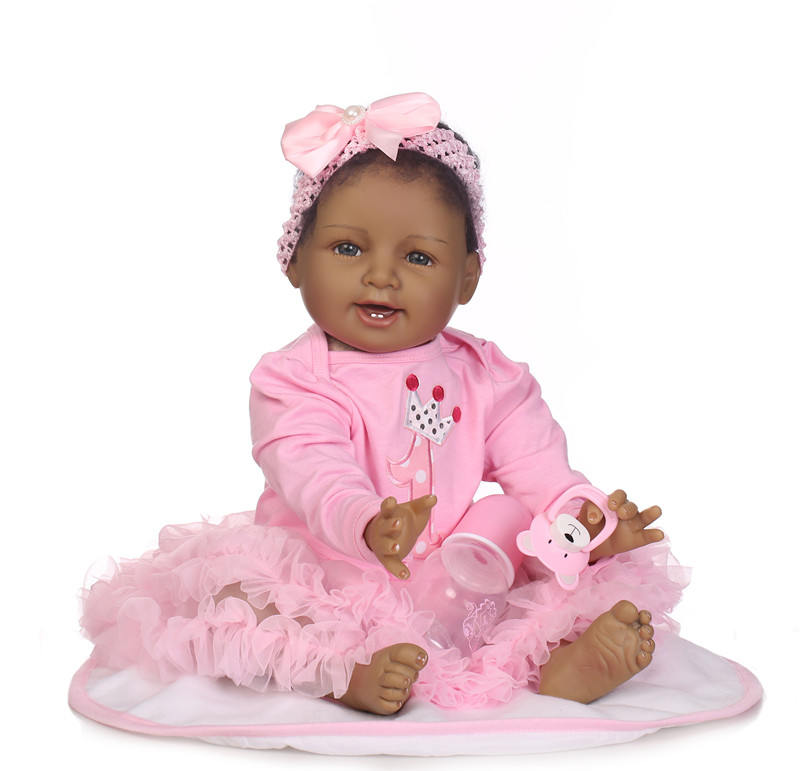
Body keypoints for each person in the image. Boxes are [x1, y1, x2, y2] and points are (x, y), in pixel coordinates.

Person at [81, 93, 686, 716]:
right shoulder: (295, 379)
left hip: (460, 585)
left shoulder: (489, 377)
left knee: (556, 560)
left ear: (467, 278)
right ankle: (343, 672)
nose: (380, 276)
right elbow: (314, 470)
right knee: (240, 600)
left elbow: (541, 473)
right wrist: (368, 522)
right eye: (349, 248)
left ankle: (558, 662)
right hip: (333, 576)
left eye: (418, 257)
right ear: (295, 260)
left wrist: (589, 523)